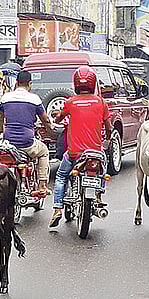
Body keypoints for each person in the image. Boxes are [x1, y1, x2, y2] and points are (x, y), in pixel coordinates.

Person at [49, 66, 111, 230]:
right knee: (103, 170)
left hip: (74, 154)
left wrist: (57, 118)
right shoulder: (101, 102)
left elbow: (58, 118)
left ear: (76, 83)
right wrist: (107, 139)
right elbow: (109, 127)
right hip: (95, 153)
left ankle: (57, 208)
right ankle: (99, 193)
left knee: (61, 176)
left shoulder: (70, 102)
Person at [0, 70, 54, 197]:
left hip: (8, 141)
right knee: (44, 151)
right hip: (27, 143)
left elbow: (0, 119)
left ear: (17, 83)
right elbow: (45, 120)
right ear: (30, 84)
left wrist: (0, 131)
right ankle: (42, 185)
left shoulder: (5, 98)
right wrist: (51, 130)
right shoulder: (34, 99)